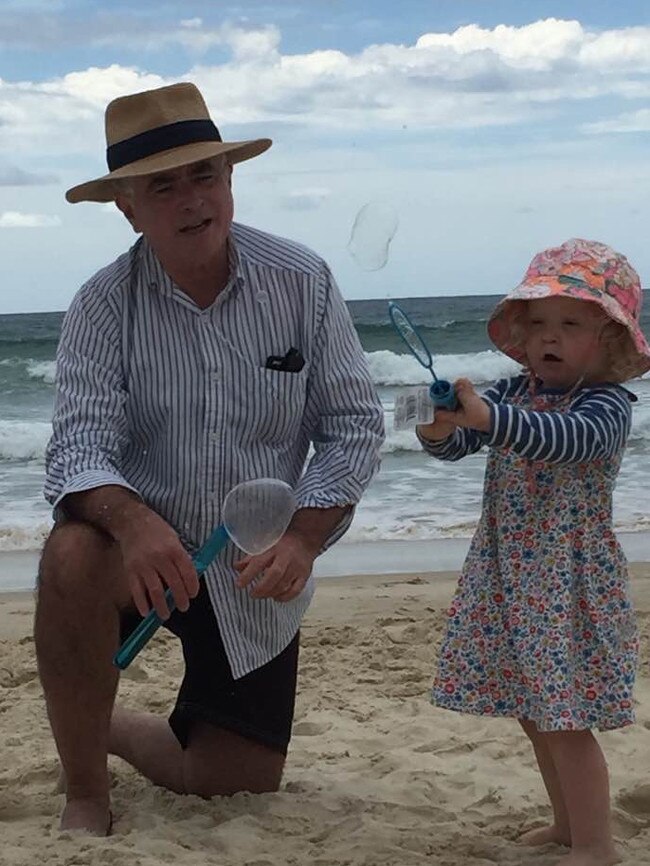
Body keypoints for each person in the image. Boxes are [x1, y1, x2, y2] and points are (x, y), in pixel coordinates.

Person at [35, 81, 384, 836]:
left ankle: (103, 719)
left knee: (234, 784)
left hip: (248, 567)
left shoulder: (303, 280)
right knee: (69, 554)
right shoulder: (101, 304)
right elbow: (77, 448)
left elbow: (354, 427)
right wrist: (132, 525)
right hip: (138, 558)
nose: (193, 199)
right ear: (126, 206)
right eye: (164, 186)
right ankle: (86, 794)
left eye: (206, 175)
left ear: (231, 180)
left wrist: (302, 538)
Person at [417, 238, 649, 866]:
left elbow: (560, 441)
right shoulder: (512, 391)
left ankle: (598, 846)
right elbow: (456, 446)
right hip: (507, 575)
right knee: (532, 710)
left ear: (609, 341)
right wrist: (440, 425)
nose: (550, 337)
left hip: (565, 582)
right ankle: (569, 826)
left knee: (564, 717)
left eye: (571, 324)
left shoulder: (604, 408)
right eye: (538, 323)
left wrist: (486, 420)